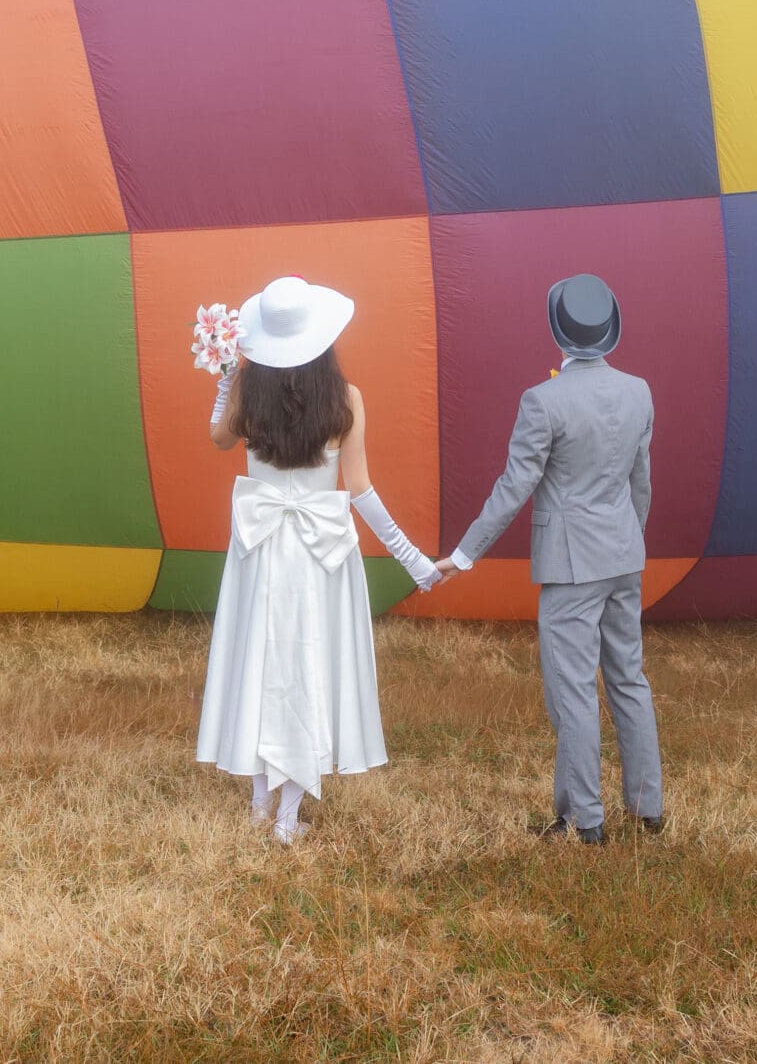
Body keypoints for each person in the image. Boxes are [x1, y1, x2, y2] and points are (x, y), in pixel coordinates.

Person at [197, 276, 446, 844]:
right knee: (306, 666)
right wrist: (416, 563)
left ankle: (263, 804)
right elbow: (360, 490)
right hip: (319, 555)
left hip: (259, 551)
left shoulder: (248, 392)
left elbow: (216, 437)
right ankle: (285, 818)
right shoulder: (346, 398)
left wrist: (225, 381)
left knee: (259, 660)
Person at [442, 275, 665, 845]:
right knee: (628, 679)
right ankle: (648, 807)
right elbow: (641, 482)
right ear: (609, 330)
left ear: (557, 332)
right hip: (623, 554)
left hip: (571, 565)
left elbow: (514, 488)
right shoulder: (639, 391)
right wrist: (628, 541)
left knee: (572, 691)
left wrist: (464, 555)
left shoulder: (542, 402)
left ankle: (583, 821)